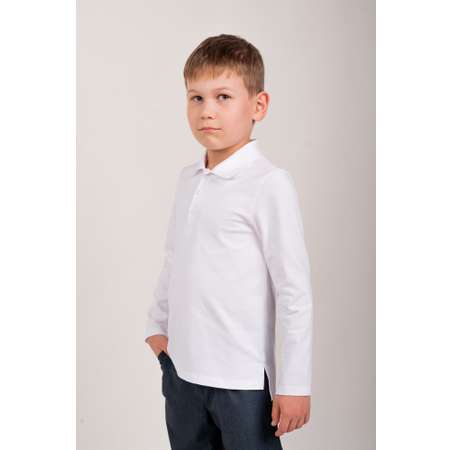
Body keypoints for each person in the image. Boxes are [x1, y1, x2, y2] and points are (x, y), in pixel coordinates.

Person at [144, 33, 314, 450]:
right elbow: (175, 258)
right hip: (183, 372)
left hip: (241, 381)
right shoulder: (189, 179)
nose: (207, 111)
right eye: (196, 98)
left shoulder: (269, 184)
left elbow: (293, 289)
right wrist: (157, 326)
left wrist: (294, 384)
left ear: (258, 105)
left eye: (223, 97)